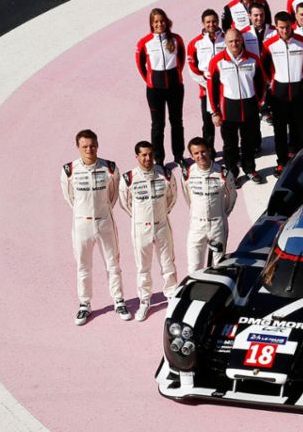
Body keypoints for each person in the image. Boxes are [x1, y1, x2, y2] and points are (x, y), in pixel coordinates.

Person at [63, 130, 129, 324]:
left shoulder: (110, 168)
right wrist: (83, 214)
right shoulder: (69, 170)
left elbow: (113, 195)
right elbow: (70, 198)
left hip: (104, 221)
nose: (89, 149)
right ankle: (84, 304)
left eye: (92, 145)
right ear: (78, 147)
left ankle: (118, 300)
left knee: (113, 264)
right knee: (83, 266)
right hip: (82, 223)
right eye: (84, 146)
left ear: (97, 145)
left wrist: (103, 212)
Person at [119, 141, 178, 321]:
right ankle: (145, 301)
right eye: (143, 155)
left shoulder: (166, 174)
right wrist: (141, 218)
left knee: (168, 264)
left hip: (161, 225)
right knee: (143, 267)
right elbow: (125, 202)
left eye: (150, 154)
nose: (148, 158)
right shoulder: (128, 178)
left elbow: (172, 198)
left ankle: (171, 297)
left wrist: (160, 215)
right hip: (140, 228)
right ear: (137, 156)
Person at [206, 28, 265, 183]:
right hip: (228, 108)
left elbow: (261, 83)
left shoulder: (252, 59)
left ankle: (250, 169)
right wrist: (214, 112)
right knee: (230, 144)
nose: (234, 44)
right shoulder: (217, 61)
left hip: (249, 106)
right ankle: (232, 172)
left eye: (237, 40)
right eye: (231, 41)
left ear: (242, 40)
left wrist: (258, 102)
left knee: (249, 141)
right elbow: (211, 89)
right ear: (225, 42)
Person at [134, 8, 186, 166]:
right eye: (156, 21)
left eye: (162, 21)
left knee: (176, 122)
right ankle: (159, 159)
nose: (159, 24)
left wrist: (175, 76)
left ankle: (178, 155)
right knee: (158, 125)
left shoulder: (176, 39)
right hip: (154, 90)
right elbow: (140, 65)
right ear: (151, 23)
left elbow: (181, 59)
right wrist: (150, 80)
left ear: (166, 21)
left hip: (175, 87)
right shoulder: (144, 42)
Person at [261, 11, 303, 170]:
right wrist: (271, 82)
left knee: (301, 128)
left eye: (288, 27)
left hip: (299, 90)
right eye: (281, 28)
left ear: (292, 25)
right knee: (280, 130)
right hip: (278, 92)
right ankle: (282, 161)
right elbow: (263, 66)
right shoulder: (269, 45)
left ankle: (301, 158)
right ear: (276, 26)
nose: (285, 30)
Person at [179, 137, 236, 274]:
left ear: (209, 151)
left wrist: (223, 213)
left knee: (218, 266)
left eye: (203, 151)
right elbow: (188, 198)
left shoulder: (223, 173)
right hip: (196, 225)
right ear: (191, 156)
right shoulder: (187, 175)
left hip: (218, 224)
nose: (200, 156)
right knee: (193, 267)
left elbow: (232, 197)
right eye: (196, 153)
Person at [185, 9, 224, 148]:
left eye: (214, 21)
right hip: (205, 91)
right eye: (208, 22)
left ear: (218, 22)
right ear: (203, 23)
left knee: (227, 123)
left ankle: (231, 152)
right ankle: (209, 151)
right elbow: (192, 68)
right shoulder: (195, 43)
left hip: (226, 90)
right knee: (208, 124)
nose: (211, 24)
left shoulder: (226, 39)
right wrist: (208, 83)